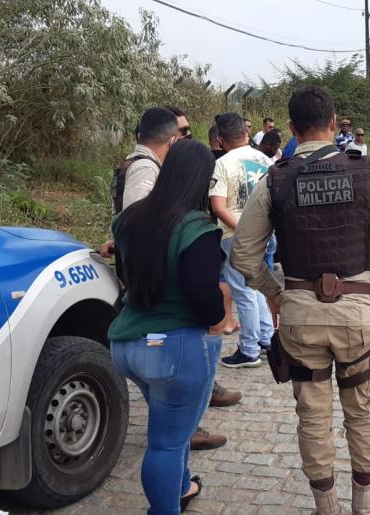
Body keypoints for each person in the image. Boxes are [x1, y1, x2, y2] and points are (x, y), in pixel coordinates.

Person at [229, 85, 370, 515]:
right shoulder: (366, 172)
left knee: (312, 419)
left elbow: (243, 253)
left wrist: (275, 296)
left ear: (292, 128)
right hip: (357, 316)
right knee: (363, 415)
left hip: (299, 318)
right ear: (335, 124)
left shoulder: (275, 179)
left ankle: (326, 507)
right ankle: (365, 506)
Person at [108, 139, 226, 514]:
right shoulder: (198, 229)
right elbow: (203, 299)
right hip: (172, 348)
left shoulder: (128, 220)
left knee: (167, 427)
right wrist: (220, 317)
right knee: (167, 443)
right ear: (203, 181)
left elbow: (124, 275)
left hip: (127, 345)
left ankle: (182, 486)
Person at [210, 112, 276, 368]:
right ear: (246, 133)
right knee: (256, 285)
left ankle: (248, 349)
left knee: (243, 291)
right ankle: (267, 337)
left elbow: (218, 207)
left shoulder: (222, 163)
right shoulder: (265, 159)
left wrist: (245, 230)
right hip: (265, 233)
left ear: (222, 140)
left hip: (235, 235)